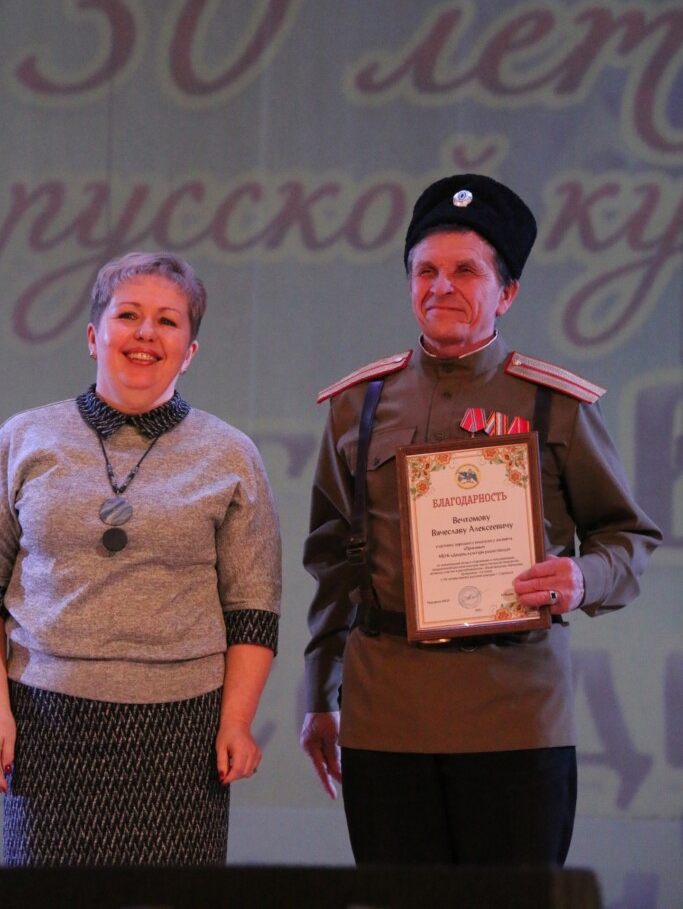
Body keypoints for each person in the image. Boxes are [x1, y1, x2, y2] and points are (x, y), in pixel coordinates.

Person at [300, 174, 661, 866]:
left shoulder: (555, 404)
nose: (441, 287)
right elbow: (333, 560)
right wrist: (320, 693)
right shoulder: (357, 405)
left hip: (515, 715)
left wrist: (582, 578)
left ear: (507, 292)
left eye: (466, 270)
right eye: (425, 271)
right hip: (386, 715)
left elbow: (629, 536)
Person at [0, 251, 281, 866]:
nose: (146, 333)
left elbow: (253, 608)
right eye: (128, 315)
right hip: (44, 721)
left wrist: (236, 722)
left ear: (190, 351)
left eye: (168, 321)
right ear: (93, 336)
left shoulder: (231, 454)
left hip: (184, 733)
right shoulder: (23, 439)